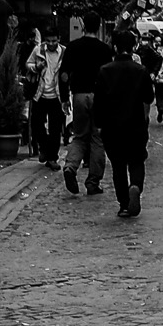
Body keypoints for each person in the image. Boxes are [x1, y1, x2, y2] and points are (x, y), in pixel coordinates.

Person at [93, 25, 155, 218]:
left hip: (112, 127)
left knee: (118, 166)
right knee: (136, 161)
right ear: (134, 46)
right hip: (135, 124)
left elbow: (98, 101)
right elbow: (149, 97)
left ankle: (124, 204)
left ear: (115, 47)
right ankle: (135, 185)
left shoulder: (105, 71)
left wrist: (99, 124)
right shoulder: (141, 70)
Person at [59, 11, 113, 196]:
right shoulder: (104, 49)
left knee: (80, 136)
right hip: (99, 97)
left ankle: (70, 166)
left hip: (79, 95)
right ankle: (93, 182)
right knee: (98, 138)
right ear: (99, 26)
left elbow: (64, 74)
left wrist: (64, 98)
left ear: (83, 26)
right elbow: (109, 77)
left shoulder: (73, 47)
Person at [27, 28, 66, 168]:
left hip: (57, 95)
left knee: (55, 128)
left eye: (54, 41)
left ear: (58, 39)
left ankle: (52, 158)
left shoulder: (64, 52)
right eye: (48, 41)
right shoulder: (39, 50)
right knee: (37, 124)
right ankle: (43, 148)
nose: (51, 44)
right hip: (40, 93)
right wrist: (36, 67)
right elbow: (28, 63)